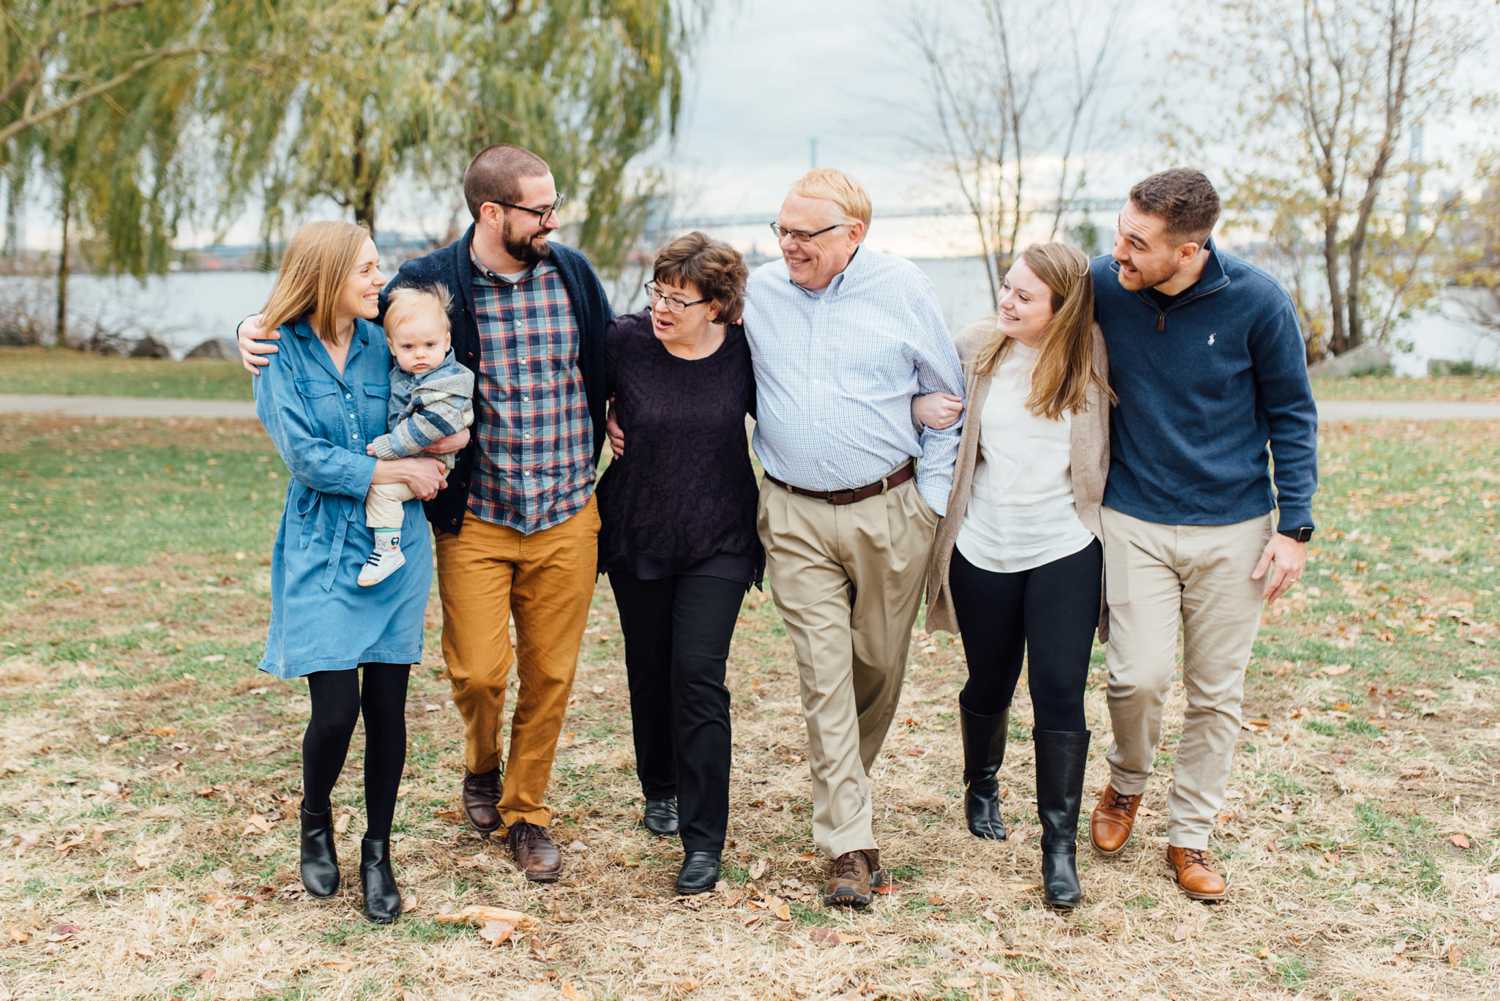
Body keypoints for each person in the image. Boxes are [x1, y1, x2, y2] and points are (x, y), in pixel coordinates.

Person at [238, 144, 612, 884]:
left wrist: (630, 410)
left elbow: (614, 348)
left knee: (542, 675)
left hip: (558, 507)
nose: (554, 220)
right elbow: (319, 339)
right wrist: (252, 325)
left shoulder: (568, 275)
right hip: (452, 519)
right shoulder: (423, 287)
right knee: (471, 675)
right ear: (493, 212)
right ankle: (446, 776)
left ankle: (513, 814)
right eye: (540, 208)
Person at [1084, 169, 1318, 901]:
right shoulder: (1101, 284)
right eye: (1120, 229)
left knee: (1217, 693)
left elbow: (1292, 414)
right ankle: (1126, 783)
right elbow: (1022, 318)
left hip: (1234, 529)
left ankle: (1190, 834)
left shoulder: (1257, 302)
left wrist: (1296, 527)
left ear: (1189, 251)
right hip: (1134, 516)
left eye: (1138, 242)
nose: (1119, 249)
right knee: (1138, 675)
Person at [747, 169, 964, 908]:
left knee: (876, 664)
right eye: (782, 229)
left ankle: (848, 790)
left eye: (807, 233)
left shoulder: (902, 288)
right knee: (824, 674)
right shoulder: (760, 292)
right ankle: (849, 842)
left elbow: (950, 396)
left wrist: (931, 502)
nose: (790, 245)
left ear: (854, 234)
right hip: (794, 512)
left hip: (890, 509)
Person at [252, 220, 447, 924]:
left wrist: (442, 444)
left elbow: (440, 376)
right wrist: (394, 468)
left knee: (389, 707)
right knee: (335, 709)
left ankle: (377, 850)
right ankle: (313, 817)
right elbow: (305, 456)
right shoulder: (279, 350)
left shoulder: (383, 340)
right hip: (321, 544)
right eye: (367, 269)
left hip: (393, 545)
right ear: (330, 275)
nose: (379, 279)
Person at [917, 242, 1113, 909]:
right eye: (1006, 287)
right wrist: (919, 410)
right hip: (984, 546)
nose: (1007, 301)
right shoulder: (977, 348)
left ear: (1061, 308)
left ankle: (1057, 848)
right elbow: (911, 382)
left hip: (1064, 545)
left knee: (1060, 690)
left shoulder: (1093, 354)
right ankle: (982, 782)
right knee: (990, 678)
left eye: (1025, 296)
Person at [597, 232, 759, 895]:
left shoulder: (746, 353)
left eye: (679, 299)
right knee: (650, 666)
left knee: (697, 674)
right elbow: (573, 400)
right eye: (656, 292)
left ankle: (703, 838)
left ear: (719, 305)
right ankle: (657, 786)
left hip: (720, 534)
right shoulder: (625, 342)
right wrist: (605, 417)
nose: (662, 308)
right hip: (638, 529)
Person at [357, 285, 475, 587]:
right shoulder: (404, 373)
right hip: (415, 455)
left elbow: (430, 424)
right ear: (392, 347)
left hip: (432, 460)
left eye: (429, 344)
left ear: (446, 341)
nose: (420, 354)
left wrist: (391, 446)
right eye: (408, 347)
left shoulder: (448, 379)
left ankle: (387, 550)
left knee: (382, 492)